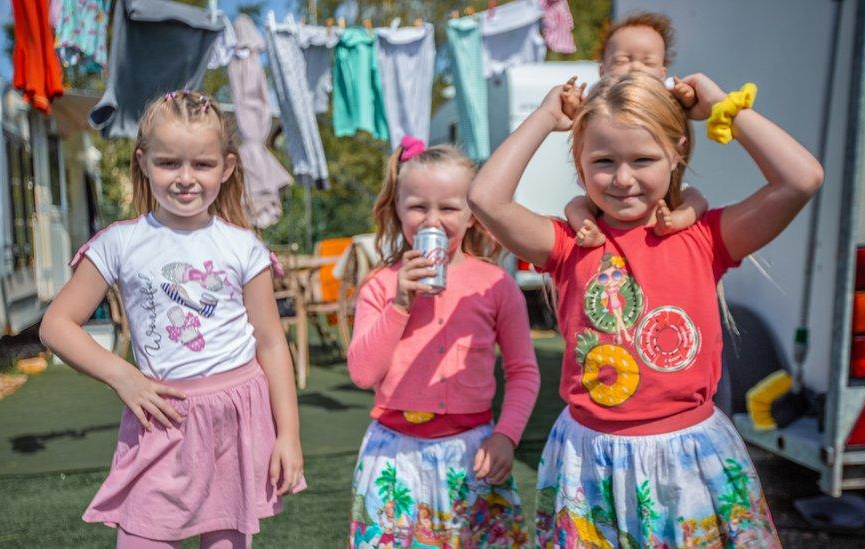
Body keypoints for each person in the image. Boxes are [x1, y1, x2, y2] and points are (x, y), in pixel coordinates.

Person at [468, 72, 822, 547]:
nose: (623, 178)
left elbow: (802, 178)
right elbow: (485, 198)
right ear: (579, 163)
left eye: (644, 159)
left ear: (677, 154)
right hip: (589, 458)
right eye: (603, 161)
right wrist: (544, 117)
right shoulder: (567, 245)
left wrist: (723, 107)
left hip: (689, 458)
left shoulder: (705, 237)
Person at [40, 90, 304, 549]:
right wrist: (123, 377)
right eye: (168, 163)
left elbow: (271, 343)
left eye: (201, 165)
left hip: (238, 417)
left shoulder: (244, 248)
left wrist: (290, 436)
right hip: (161, 416)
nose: (185, 179)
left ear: (226, 167)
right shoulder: (119, 243)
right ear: (142, 162)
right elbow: (56, 325)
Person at [346, 137, 541, 548]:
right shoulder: (381, 285)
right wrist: (400, 303)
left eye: (449, 208)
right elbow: (363, 374)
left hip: (472, 451)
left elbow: (523, 371)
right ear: (396, 211)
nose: (432, 220)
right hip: (393, 455)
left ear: (472, 215)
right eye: (418, 207)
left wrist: (506, 435)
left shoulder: (496, 285)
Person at [564, 11, 708, 247]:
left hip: (668, 190)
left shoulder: (667, 95)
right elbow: (576, 114)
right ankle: (588, 229)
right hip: (599, 199)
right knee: (575, 205)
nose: (635, 68)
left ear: (662, 73)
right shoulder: (599, 99)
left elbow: (692, 104)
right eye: (623, 60)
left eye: (647, 62)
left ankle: (674, 220)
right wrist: (571, 103)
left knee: (694, 198)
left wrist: (688, 95)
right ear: (603, 71)